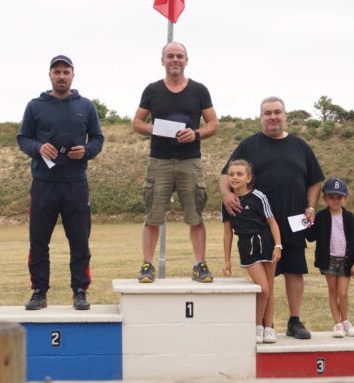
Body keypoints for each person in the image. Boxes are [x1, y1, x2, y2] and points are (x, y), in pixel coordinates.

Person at [220, 96, 324, 340]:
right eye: (268, 113)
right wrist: (226, 195)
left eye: (277, 112)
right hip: (261, 225)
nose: (273, 117)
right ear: (261, 117)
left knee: (295, 271)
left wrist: (310, 207)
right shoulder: (249, 145)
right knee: (267, 278)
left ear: (285, 115)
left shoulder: (300, 146)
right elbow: (226, 175)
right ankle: (265, 325)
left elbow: (316, 181)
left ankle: (294, 321)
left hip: (294, 219)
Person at [17, 55, 104, 310]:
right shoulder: (35, 106)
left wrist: (86, 151)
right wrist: (38, 147)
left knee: (79, 241)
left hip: (76, 184)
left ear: (73, 76)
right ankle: (39, 291)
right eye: (57, 72)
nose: (62, 76)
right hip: (44, 184)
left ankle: (80, 290)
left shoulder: (85, 106)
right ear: (50, 76)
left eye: (66, 72)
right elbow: (23, 138)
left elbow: (98, 138)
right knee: (38, 241)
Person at [132, 42, 219, 283]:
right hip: (158, 161)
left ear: (186, 60)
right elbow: (137, 122)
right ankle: (147, 265)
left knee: (195, 216)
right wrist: (154, 129)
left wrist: (196, 133)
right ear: (162, 61)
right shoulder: (152, 90)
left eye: (179, 56)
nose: (175, 60)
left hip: (190, 161)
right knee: (152, 216)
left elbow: (213, 124)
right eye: (170, 56)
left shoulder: (199, 90)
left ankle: (199, 264)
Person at [222, 160, 282, 344]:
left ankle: (268, 327)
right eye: (231, 174)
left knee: (269, 289)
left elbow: (272, 222)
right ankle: (257, 326)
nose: (234, 177)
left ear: (248, 178)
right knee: (262, 289)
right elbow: (227, 233)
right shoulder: (227, 202)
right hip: (247, 246)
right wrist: (227, 260)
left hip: (266, 243)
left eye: (239, 174)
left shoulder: (259, 196)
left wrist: (278, 246)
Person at [305, 177, 354, 338]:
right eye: (331, 197)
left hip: (346, 260)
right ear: (325, 198)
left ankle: (345, 321)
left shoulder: (350, 218)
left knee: (343, 293)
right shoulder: (321, 217)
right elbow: (310, 237)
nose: (335, 200)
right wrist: (307, 221)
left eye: (339, 197)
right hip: (328, 259)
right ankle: (337, 323)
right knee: (332, 291)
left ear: (345, 198)